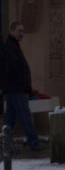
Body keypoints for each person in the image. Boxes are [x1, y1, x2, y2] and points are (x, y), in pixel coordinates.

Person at [1, 21, 41, 151]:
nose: (22, 34)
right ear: (12, 31)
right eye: (19, 31)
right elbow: (14, 69)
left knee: (10, 119)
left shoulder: (13, 46)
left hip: (14, 89)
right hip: (17, 89)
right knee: (25, 116)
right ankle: (33, 142)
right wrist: (25, 86)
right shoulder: (10, 47)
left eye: (23, 31)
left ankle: (5, 143)